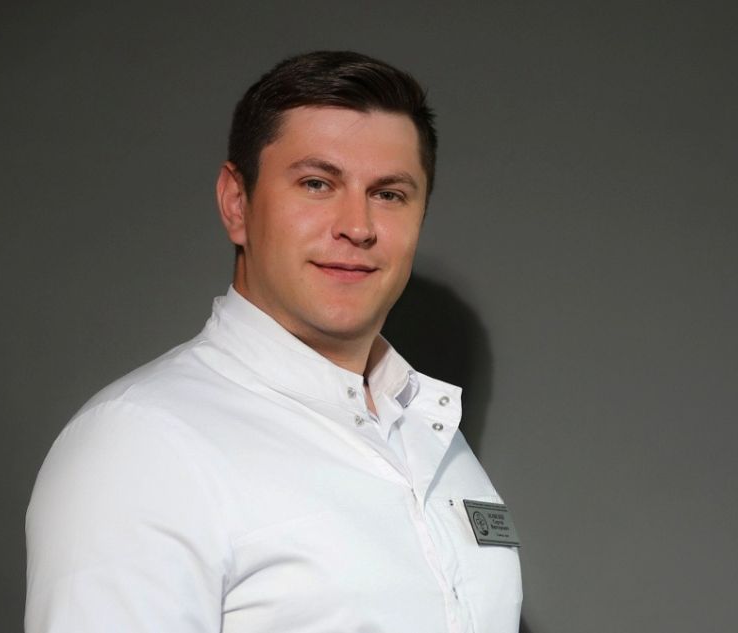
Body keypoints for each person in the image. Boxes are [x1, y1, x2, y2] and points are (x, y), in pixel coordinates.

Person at [25, 50, 522, 633]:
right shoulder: (141, 447)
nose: (357, 226)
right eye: (317, 184)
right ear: (237, 204)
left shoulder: (429, 433)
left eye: (388, 194)